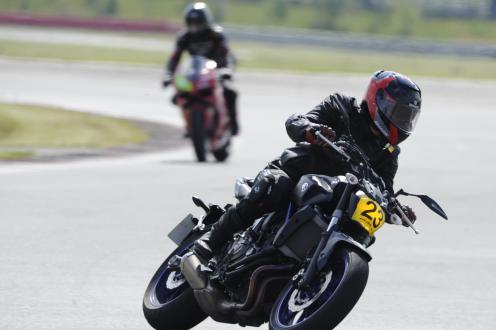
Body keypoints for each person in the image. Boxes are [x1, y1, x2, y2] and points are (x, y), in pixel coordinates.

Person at [195, 70, 421, 260]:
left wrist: (396, 209)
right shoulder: (341, 107)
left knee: (361, 228)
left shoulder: (388, 152)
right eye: (399, 113)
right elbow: (297, 120)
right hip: (299, 172)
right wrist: (310, 130)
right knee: (275, 186)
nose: (402, 122)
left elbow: (384, 188)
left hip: (336, 197)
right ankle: (212, 241)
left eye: (408, 117)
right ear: (377, 99)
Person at [162, 2, 239, 135]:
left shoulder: (216, 35)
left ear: (206, 21)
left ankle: (232, 123)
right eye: (192, 23)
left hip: (217, 72)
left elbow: (228, 54)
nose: (195, 27)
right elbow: (174, 58)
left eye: (198, 23)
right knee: (178, 96)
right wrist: (168, 74)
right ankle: (189, 124)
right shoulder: (184, 37)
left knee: (230, 91)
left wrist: (228, 70)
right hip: (195, 73)